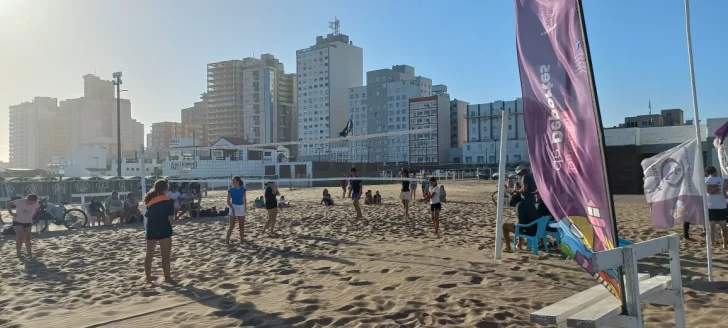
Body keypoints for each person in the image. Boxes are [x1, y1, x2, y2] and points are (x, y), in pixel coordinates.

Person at [143, 179, 175, 284]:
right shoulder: (169, 200)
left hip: (151, 228)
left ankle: (148, 279)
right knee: (165, 255)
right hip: (164, 228)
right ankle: (167, 277)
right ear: (166, 189)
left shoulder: (149, 200)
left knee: (149, 255)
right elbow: (170, 218)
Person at [6, 194, 39, 260]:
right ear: (27, 199)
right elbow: (8, 204)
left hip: (28, 222)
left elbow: (37, 209)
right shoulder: (20, 201)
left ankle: (29, 254)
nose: (31, 204)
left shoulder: (36, 203)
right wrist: (11, 213)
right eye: (30, 202)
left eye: (33, 202)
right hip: (17, 221)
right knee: (20, 237)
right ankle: (18, 253)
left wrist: (32, 215)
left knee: (27, 238)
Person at [704, 166, 728, 247]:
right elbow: (726, 193)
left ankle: (712, 244)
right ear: (715, 171)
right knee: (723, 227)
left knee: (711, 227)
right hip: (721, 205)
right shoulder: (724, 180)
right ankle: (724, 244)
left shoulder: (704, 181)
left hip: (709, 206)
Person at [226, 176, 247, 244]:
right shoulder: (230, 190)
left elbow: (245, 199)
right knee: (232, 225)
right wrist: (232, 208)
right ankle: (227, 240)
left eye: (234, 180)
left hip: (241, 207)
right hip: (233, 207)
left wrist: (245, 208)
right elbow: (228, 201)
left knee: (241, 225)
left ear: (238, 181)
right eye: (232, 180)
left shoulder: (243, 189)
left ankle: (242, 240)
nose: (232, 182)